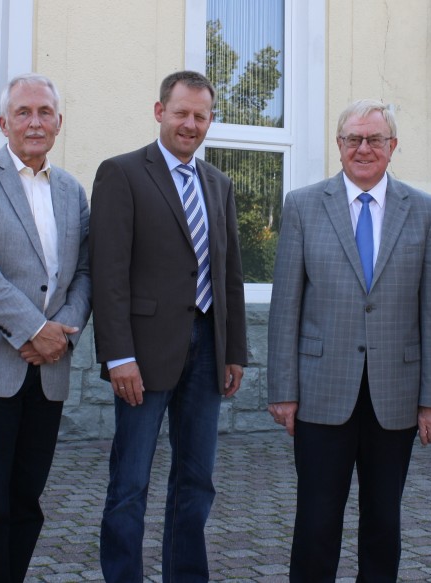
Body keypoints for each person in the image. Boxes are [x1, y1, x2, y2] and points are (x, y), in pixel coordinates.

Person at [267, 99, 431, 582]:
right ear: (339, 145)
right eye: (353, 139)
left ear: (393, 147)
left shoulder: (426, 212)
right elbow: (286, 305)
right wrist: (283, 390)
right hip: (321, 391)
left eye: (374, 140)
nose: (363, 149)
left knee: (383, 520)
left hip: (396, 394)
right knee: (316, 519)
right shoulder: (304, 206)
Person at [90, 70, 247, 582]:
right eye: (181, 113)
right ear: (160, 112)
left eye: (201, 116)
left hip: (207, 348)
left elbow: (229, 276)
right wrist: (118, 355)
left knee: (196, 479)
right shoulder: (123, 173)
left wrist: (234, 352)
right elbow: (109, 273)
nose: (191, 124)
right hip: (144, 353)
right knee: (131, 481)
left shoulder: (218, 185)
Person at [0, 73, 91, 582]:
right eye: (23, 112)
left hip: (47, 372)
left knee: (27, 502)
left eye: (44, 112)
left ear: (59, 123)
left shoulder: (72, 190)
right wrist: (32, 329)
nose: (35, 122)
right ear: (3, 122)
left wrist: (61, 329)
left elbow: (87, 271)